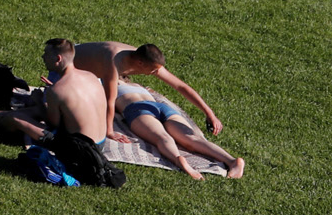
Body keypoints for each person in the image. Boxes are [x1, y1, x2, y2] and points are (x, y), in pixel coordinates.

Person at [70, 40, 225, 140]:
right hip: (71, 65)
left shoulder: (145, 59)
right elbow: (110, 100)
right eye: (152, 71)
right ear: (140, 63)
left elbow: (180, 86)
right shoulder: (114, 62)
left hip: (94, 68)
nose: (154, 74)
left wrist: (209, 113)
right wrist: (109, 131)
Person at [0, 38, 113, 151]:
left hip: (79, 149)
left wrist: (39, 101)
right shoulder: (91, 76)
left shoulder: (58, 90)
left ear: (58, 59)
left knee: (16, 118)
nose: (43, 57)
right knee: (42, 110)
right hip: (100, 142)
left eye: (46, 54)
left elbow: (52, 125)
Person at [113, 80, 244, 179]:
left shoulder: (108, 83)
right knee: (192, 139)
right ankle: (232, 161)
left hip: (135, 108)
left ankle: (178, 159)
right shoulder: (137, 85)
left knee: (162, 137)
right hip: (162, 107)